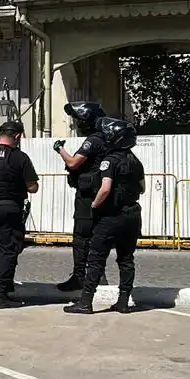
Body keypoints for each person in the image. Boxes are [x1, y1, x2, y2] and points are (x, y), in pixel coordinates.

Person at [64, 117, 145, 315]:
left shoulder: (109, 160)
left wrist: (95, 204)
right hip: (133, 214)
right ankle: (124, 301)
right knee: (126, 259)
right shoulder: (135, 161)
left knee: (96, 258)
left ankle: (85, 302)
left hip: (112, 215)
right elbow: (142, 188)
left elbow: (105, 188)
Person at [0, 120, 40, 308]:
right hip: (9, 208)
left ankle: (5, 283)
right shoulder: (19, 157)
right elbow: (32, 187)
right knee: (8, 250)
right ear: (17, 136)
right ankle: (2, 295)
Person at [53, 102, 109, 291]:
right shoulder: (105, 139)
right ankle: (97, 275)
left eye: (79, 119)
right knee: (96, 236)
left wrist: (60, 149)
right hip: (97, 194)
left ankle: (80, 277)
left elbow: (74, 163)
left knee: (82, 237)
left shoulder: (93, 140)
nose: (76, 124)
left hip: (88, 196)